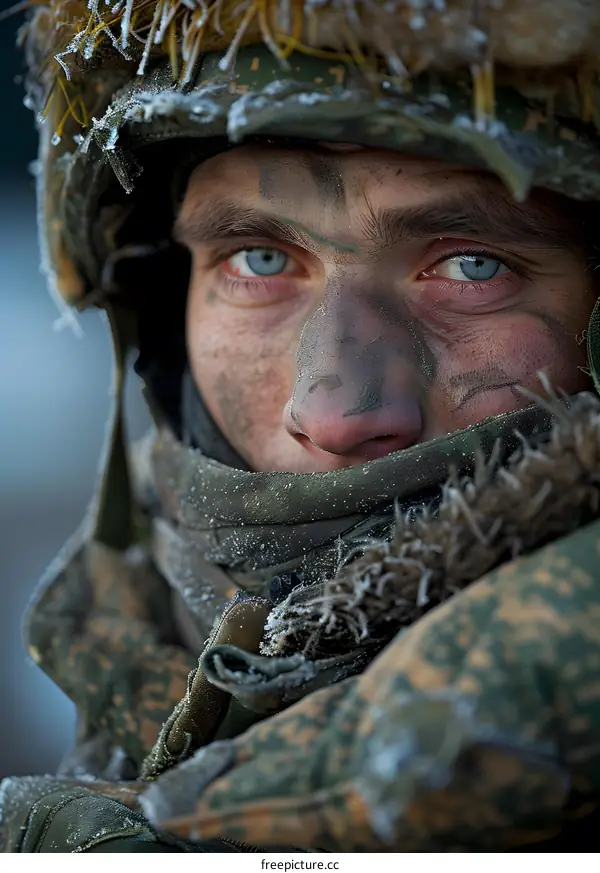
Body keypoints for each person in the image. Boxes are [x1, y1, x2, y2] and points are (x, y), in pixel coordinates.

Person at [2, 0, 600, 852]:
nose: (334, 412)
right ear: (168, 314)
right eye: (259, 259)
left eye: (473, 266)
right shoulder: (116, 649)